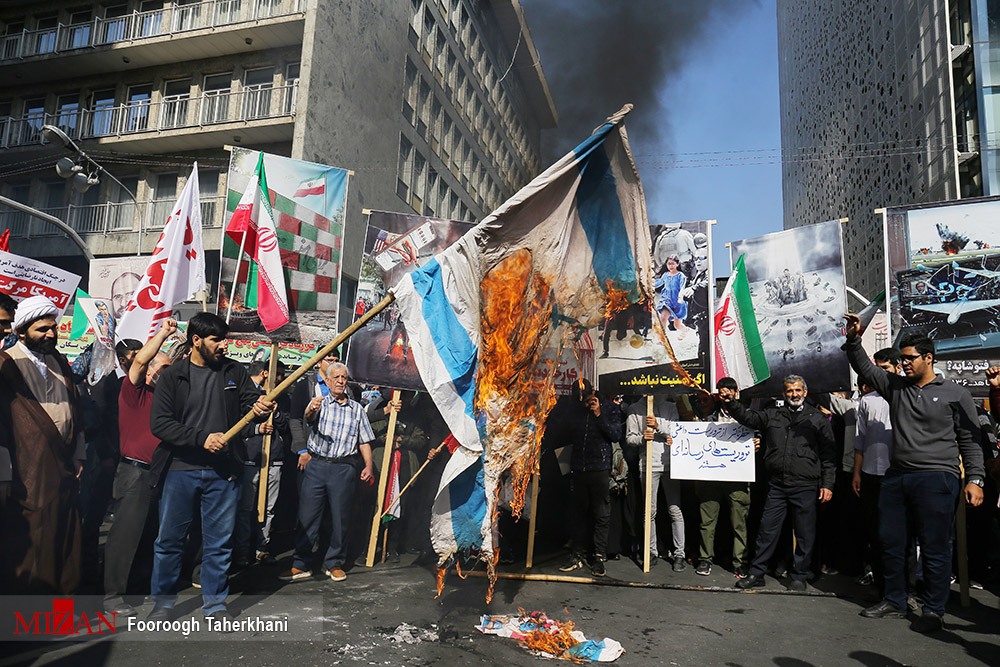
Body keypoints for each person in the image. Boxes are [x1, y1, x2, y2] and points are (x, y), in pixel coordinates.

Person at [843, 317, 984, 633]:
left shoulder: (956, 394)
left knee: (935, 547)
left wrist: (975, 479)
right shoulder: (895, 387)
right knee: (891, 543)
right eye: (902, 359)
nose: (904, 363)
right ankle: (895, 600)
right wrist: (853, 340)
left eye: (910, 358)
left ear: (928, 358)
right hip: (896, 478)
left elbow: (970, 440)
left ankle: (933, 609)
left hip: (938, 478)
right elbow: (864, 367)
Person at [148, 312, 274, 622]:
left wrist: (260, 408)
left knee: (219, 542)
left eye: (224, 339)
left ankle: (215, 605)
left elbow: (251, 406)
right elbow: (160, 424)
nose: (223, 346)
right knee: (169, 541)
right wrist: (201, 439)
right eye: (216, 340)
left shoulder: (234, 371)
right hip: (180, 469)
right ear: (196, 341)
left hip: (224, 472)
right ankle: (163, 604)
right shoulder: (173, 376)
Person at [0, 295, 86, 594]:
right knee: (36, 537)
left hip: (64, 463)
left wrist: (78, 453)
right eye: (42, 329)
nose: (51, 334)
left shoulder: (59, 361)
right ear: (22, 331)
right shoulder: (6, 363)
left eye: (53, 327)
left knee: (66, 533)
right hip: (27, 465)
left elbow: (75, 409)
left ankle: (62, 606)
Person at [725, 374, 836, 592]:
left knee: (804, 533)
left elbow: (829, 455)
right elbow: (749, 418)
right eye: (789, 391)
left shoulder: (817, 418)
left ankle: (800, 575)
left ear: (805, 392)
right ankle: (757, 573)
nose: (794, 394)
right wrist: (731, 403)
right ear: (784, 393)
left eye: (797, 390)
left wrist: (828, 484)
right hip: (777, 484)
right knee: (767, 530)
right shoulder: (773, 414)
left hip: (805, 485)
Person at [103, 319, 176, 616]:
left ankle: (137, 587)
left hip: (161, 474)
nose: (166, 373)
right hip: (135, 473)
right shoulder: (134, 391)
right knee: (125, 536)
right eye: (162, 368)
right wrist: (163, 333)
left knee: (150, 535)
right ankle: (112, 596)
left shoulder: (167, 400)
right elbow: (141, 360)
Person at [281, 363, 374, 583]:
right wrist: (310, 409)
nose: (341, 381)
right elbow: (308, 417)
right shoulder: (320, 403)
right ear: (329, 381)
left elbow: (364, 441)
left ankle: (334, 563)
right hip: (317, 465)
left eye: (344, 377)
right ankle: (301, 563)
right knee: (308, 516)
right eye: (337, 377)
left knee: (340, 518)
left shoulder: (357, 409)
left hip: (343, 468)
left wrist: (368, 465)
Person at [556, 379, 623, 577]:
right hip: (578, 468)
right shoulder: (575, 410)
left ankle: (599, 557)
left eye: (585, 397)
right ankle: (577, 553)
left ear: (593, 392)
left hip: (599, 468)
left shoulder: (609, 408)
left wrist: (598, 414)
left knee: (601, 513)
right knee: (578, 513)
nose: (583, 402)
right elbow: (562, 433)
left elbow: (615, 435)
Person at [852, 348, 900, 592]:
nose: (880, 374)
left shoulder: (905, 396)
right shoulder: (866, 401)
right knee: (875, 531)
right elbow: (860, 441)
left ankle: (904, 589)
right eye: (877, 369)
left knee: (899, 534)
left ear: (898, 368)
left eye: (885, 369)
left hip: (899, 473)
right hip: (870, 473)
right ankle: (881, 587)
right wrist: (857, 473)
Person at [694, 378, 753, 578]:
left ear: (736, 392)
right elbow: (696, 439)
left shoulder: (746, 415)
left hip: (738, 477)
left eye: (729, 391)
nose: (725, 395)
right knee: (707, 521)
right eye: (721, 392)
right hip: (711, 477)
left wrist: (757, 441)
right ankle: (705, 559)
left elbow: (758, 431)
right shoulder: (708, 417)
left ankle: (740, 561)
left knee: (739, 522)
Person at [234, 360, 290, 567]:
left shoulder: (283, 398)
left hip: (274, 459)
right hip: (252, 458)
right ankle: (242, 550)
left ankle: (261, 547)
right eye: (278, 374)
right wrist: (257, 429)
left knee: (269, 508)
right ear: (266, 373)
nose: (281, 378)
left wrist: (276, 412)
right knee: (246, 508)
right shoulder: (248, 395)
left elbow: (286, 426)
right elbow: (240, 425)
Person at [625, 395, 686, 571]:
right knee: (649, 511)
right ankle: (650, 551)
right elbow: (630, 438)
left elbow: (677, 432)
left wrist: (658, 426)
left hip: (670, 464)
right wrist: (642, 438)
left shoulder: (670, 407)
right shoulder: (634, 409)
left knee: (675, 509)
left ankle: (679, 554)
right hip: (648, 465)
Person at [654, 256, 689, 337]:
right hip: (666, 300)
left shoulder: (681, 275)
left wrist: (680, 297)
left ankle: (685, 330)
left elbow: (682, 287)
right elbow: (659, 283)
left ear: (677, 264)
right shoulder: (665, 275)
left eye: (673, 264)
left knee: (677, 325)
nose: (671, 266)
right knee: (663, 318)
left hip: (677, 302)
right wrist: (649, 284)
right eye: (669, 264)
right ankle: (662, 338)